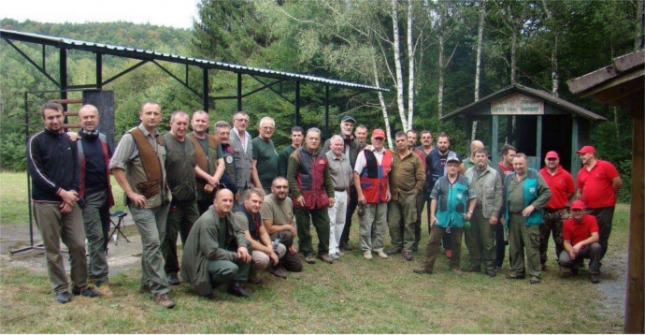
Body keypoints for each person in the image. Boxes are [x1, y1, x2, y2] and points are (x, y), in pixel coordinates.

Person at [27, 101, 98, 304]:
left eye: (58, 116)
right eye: (50, 117)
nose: (55, 120)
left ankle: (80, 285)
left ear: (63, 116)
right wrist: (60, 193)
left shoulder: (70, 140)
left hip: (70, 201)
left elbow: (77, 171)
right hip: (45, 202)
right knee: (53, 248)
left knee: (77, 244)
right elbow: (36, 173)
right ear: (44, 119)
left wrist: (72, 194)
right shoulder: (36, 141)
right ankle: (60, 288)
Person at [109, 101, 175, 308]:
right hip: (142, 202)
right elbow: (115, 165)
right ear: (141, 115)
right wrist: (130, 193)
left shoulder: (160, 139)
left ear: (161, 117)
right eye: (148, 113)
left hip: (162, 200)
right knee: (153, 243)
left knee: (156, 242)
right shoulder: (131, 137)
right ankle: (160, 291)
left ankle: (147, 282)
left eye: (156, 113)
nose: (152, 117)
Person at [180, 189, 252, 299]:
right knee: (231, 269)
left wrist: (242, 246)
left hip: (215, 253)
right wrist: (237, 256)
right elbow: (211, 252)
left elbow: (238, 231)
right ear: (215, 202)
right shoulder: (208, 220)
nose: (228, 204)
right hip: (200, 261)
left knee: (247, 244)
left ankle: (235, 285)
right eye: (224, 200)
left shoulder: (227, 214)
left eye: (230, 201)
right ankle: (205, 285)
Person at [76, 104, 115, 297]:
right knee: (95, 236)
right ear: (80, 120)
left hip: (104, 194)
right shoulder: (74, 141)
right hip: (87, 197)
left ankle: (92, 274)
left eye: (92, 117)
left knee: (103, 236)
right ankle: (102, 280)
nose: (89, 120)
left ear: (98, 118)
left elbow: (113, 163)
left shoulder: (103, 139)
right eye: (85, 117)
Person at [414, 156, 476, 275]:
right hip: (441, 216)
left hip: (458, 216)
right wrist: (432, 215)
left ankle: (454, 266)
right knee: (433, 240)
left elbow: (473, 197)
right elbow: (434, 198)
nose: (452, 167)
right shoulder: (440, 181)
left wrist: (470, 212)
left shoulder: (465, 181)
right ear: (446, 167)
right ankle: (427, 266)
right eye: (450, 165)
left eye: (455, 165)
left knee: (457, 242)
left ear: (458, 167)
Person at [161, 111, 199, 286]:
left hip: (191, 199)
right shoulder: (163, 141)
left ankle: (190, 269)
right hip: (173, 200)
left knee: (193, 236)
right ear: (171, 123)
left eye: (185, 124)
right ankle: (171, 271)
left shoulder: (190, 142)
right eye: (179, 124)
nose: (182, 127)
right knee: (170, 237)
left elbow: (193, 166)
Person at [287, 128, 336, 264]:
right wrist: (297, 194)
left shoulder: (323, 155)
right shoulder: (296, 155)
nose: (313, 141)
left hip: (320, 197)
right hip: (302, 198)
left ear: (320, 140)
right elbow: (290, 178)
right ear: (305, 139)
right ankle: (307, 251)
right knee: (303, 226)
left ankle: (323, 252)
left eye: (316, 138)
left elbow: (327, 177)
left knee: (324, 225)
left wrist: (330, 194)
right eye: (311, 138)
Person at [503, 153, 551, 284]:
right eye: (515, 164)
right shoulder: (509, 178)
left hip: (529, 218)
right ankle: (518, 271)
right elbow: (503, 196)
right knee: (515, 246)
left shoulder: (534, 175)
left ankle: (535, 273)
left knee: (531, 246)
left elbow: (547, 193)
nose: (518, 166)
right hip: (512, 217)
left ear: (526, 163)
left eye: (520, 164)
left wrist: (534, 206)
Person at [575, 145, 622, 260]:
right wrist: (579, 205)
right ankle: (581, 257)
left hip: (605, 207)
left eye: (583, 154)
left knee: (602, 234)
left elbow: (617, 182)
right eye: (580, 155)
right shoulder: (581, 172)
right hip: (588, 208)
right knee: (586, 233)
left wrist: (608, 194)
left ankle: (596, 262)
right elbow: (580, 191)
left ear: (591, 154)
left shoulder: (605, 166)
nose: (581, 157)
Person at [463, 148, 503, 277]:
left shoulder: (494, 174)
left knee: (488, 241)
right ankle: (475, 262)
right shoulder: (468, 172)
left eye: (482, 156)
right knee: (471, 238)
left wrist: (495, 214)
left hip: (487, 211)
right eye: (477, 156)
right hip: (471, 211)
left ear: (487, 157)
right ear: (473, 158)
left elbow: (498, 196)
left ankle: (489, 265)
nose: (480, 158)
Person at [354, 129, 393, 260]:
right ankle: (366, 249)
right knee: (366, 223)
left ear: (384, 140)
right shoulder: (364, 154)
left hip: (382, 195)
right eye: (376, 138)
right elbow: (356, 175)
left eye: (381, 139)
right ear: (371, 139)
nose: (378, 141)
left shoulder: (389, 154)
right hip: (367, 195)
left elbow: (387, 175)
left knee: (381, 224)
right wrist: (360, 195)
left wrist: (388, 190)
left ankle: (378, 247)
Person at [324, 115, 361, 252]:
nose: (348, 127)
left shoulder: (355, 144)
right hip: (333, 186)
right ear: (341, 125)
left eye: (351, 125)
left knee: (345, 216)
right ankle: (331, 245)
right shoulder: (331, 141)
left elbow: (358, 161)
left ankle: (342, 241)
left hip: (348, 185)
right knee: (332, 219)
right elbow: (324, 162)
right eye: (346, 124)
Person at [388, 131, 425, 261]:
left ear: (407, 141)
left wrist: (416, 191)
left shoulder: (415, 158)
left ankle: (408, 248)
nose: (400, 143)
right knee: (393, 222)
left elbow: (421, 177)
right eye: (397, 141)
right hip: (393, 195)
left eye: (402, 140)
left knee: (409, 222)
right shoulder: (391, 156)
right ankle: (396, 244)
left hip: (409, 194)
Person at [233, 188, 281, 284]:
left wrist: (269, 247)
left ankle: (268, 265)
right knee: (263, 259)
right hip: (240, 248)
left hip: (255, 244)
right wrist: (269, 251)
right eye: (254, 201)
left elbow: (263, 232)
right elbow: (248, 241)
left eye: (260, 202)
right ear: (246, 200)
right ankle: (249, 274)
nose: (257, 205)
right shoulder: (240, 215)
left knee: (280, 248)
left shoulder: (256, 212)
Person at [538, 150, 575, 270]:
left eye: (554, 159)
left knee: (561, 239)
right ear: (545, 160)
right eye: (549, 159)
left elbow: (571, 192)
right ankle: (540, 262)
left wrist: (561, 201)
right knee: (541, 238)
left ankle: (563, 262)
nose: (551, 161)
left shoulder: (566, 175)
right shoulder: (540, 174)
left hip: (560, 211)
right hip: (544, 210)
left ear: (558, 160)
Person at [260, 177, 304, 277]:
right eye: (278, 187)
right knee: (286, 234)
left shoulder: (289, 201)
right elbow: (268, 229)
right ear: (272, 189)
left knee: (297, 266)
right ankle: (275, 264)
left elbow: (289, 222)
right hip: (269, 239)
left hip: (283, 238)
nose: (282, 190)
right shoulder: (267, 202)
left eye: (285, 187)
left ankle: (282, 256)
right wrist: (288, 228)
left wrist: (291, 243)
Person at [424, 132, 459, 258]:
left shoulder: (454, 156)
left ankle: (448, 246)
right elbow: (427, 172)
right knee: (433, 219)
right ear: (436, 143)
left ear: (448, 143)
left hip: (450, 194)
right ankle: (434, 244)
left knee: (449, 221)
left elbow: (460, 173)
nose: (443, 144)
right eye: (440, 142)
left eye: (445, 142)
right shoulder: (431, 156)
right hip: (434, 193)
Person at [187, 111, 227, 214]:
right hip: (195, 190)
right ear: (192, 122)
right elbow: (191, 165)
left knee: (212, 220)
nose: (200, 123)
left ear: (208, 123)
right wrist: (210, 180)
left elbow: (221, 164)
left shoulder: (214, 140)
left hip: (212, 190)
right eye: (197, 120)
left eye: (203, 121)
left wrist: (213, 182)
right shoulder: (186, 140)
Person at [558, 200, 602, 283]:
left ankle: (594, 272)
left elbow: (596, 237)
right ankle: (575, 266)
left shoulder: (591, 219)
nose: (577, 212)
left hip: (587, 248)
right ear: (571, 211)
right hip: (575, 249)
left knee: (596, 247)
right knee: (563, 260)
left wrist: (580, 243)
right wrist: (570, 250)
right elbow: (566, 242)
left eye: (579, 210)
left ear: (584, 210)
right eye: (575, 210)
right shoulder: (567, 223)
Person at [325, 135, 353, 259]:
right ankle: (330, 249)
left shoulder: (345, 158)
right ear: (331, 145)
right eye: (336, 144)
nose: (339, 146)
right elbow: (323, 179)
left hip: (344, 193)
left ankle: (336, 246)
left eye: (341, 144)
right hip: (332, 193)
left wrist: (348, 194)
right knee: (331, 222)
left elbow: (349, 175)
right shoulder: (326, 158)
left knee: (341, 221)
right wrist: (328, 194)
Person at [494, 144, 517, 270]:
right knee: (500, 237)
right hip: (499, 209)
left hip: (513, 209)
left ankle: (515, 263)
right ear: (504, 155)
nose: (514, 158)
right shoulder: (495, 170)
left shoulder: (517, 169)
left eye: (515, 155)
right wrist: (500, 213)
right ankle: (498, 263)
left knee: (514, 238)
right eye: (511, 155)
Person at [413, 130, 435, 251]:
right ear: (420, 139)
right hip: (421, 187)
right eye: (424, 137)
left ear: (432, 139)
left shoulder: (437, 151)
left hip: (433, 187)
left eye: (428, 137)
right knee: (416, 215)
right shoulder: (417, 151)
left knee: (433, 215)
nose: (426, 139)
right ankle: (415, 242)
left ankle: (434, 241)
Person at [229, 111, 254, 198]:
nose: (243, 122)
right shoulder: (228, 137)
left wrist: (250, 181)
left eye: (245, 120)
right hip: (234, 185)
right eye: (240, 120)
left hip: (246, 185)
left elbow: (249, 160)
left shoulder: (249, 137)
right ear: (234, 121)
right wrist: (233, 187)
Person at [251, 117, 279, 193]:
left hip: (272, 187)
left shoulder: (271, 142)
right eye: (265, 127)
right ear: (259, 128)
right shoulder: (255, 143)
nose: (268, 130)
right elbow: (252, 167)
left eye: (271, 128)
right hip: (262, 187)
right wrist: (259, 188)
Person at [213, 121, 239, 196]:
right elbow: (219, 173)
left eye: (227, 133)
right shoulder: (213, 150)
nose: (225, 136)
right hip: (220, 190)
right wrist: (234, 189)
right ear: (215, 134)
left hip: (231, 190)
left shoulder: (229, 148)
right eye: (222, 133)